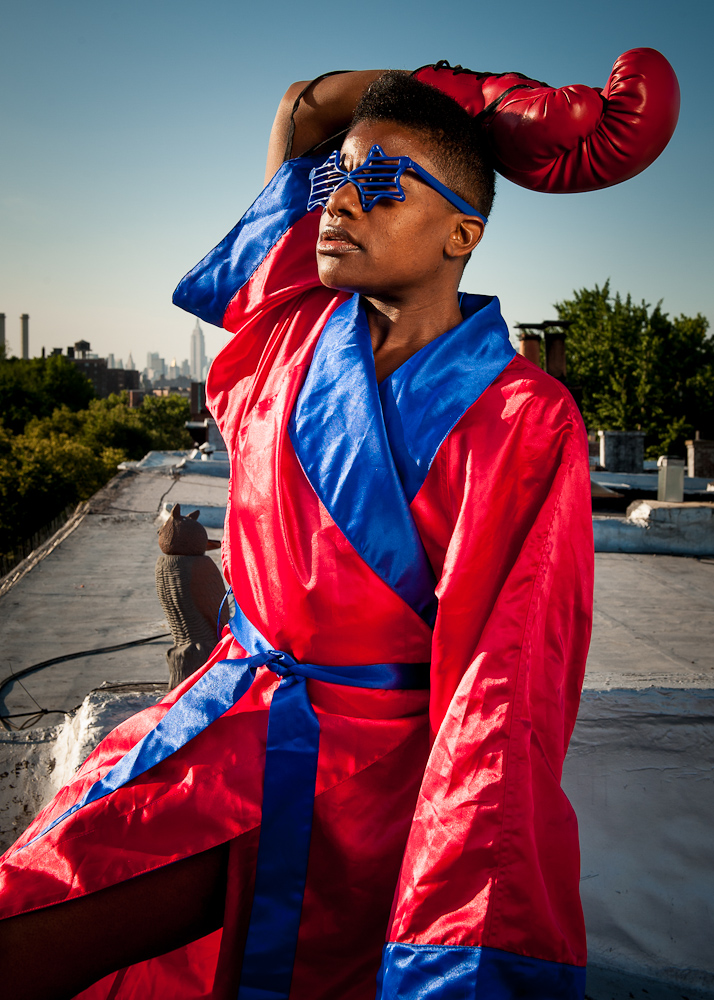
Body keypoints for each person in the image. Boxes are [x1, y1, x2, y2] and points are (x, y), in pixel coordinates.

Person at [0, 69, 595, 999]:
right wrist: (480, 88)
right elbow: (301, 110)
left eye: (385, 184)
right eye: (333, 181)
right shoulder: (292, 331)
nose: (340, 201)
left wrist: (462, 930)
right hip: (221, 723)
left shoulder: (522, 415)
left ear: (463, 232)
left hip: (366, 792)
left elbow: (501, 690)